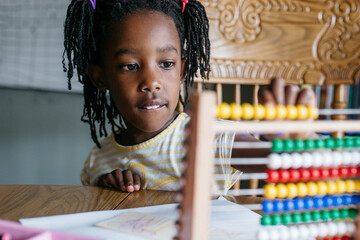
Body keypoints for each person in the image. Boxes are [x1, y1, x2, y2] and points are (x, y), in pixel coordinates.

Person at [62, 0, 316, 193]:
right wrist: (105, 189)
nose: (151, 82)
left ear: (182, 70)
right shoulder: (98, 159)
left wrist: (296, 142)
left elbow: (286, 168)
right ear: (100, 77)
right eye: (130, 66)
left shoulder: (210, 138)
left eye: (166, 63)